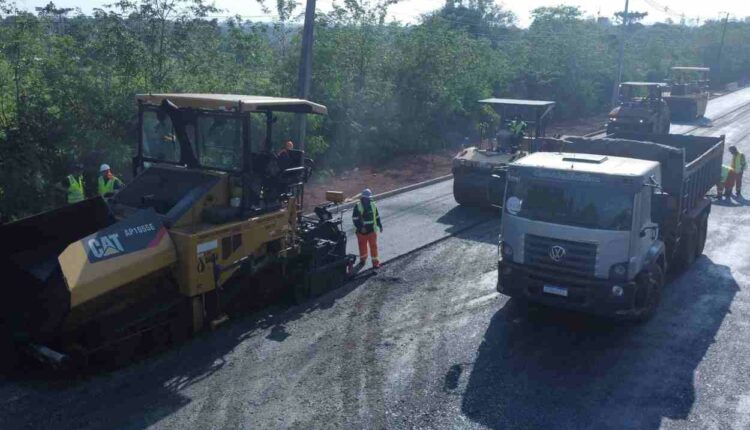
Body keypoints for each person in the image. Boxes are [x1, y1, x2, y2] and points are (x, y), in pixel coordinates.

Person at [352, 188, 383, 269]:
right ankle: (363, 260)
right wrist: (361, 228)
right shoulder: (358, 206)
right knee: (362, 246)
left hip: (372, 231)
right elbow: (355, 219)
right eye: (365, 198)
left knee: (373, 247)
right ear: (362, 198)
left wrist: (380, 225)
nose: (367, 200)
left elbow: (376, 216)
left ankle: (375, 263)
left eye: (368, 198)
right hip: (361, 232)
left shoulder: (373, 205)